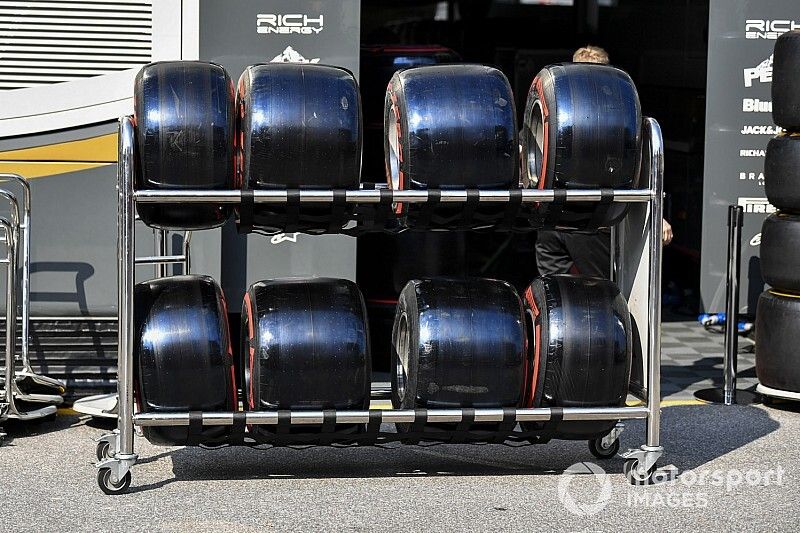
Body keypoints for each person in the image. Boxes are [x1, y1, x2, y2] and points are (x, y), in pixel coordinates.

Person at [535, 45, 673, 278]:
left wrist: (656, 215)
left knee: (582, 293)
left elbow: (641, 170)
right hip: (572, 222)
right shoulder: (565, 113)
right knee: (574, 295)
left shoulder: (614, 117)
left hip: (575, 219)